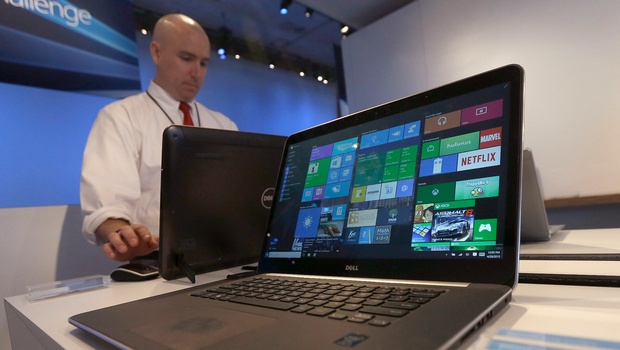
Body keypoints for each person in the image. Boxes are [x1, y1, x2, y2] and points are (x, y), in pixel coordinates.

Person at [80, 14, 237, 262]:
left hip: (223, 257)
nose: (196, 72)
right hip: (156, 261)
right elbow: (108, 203)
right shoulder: (120, 117)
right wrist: (124, 236)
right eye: (186, 58)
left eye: (204, 63)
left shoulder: (224, 126)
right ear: (156, 53)